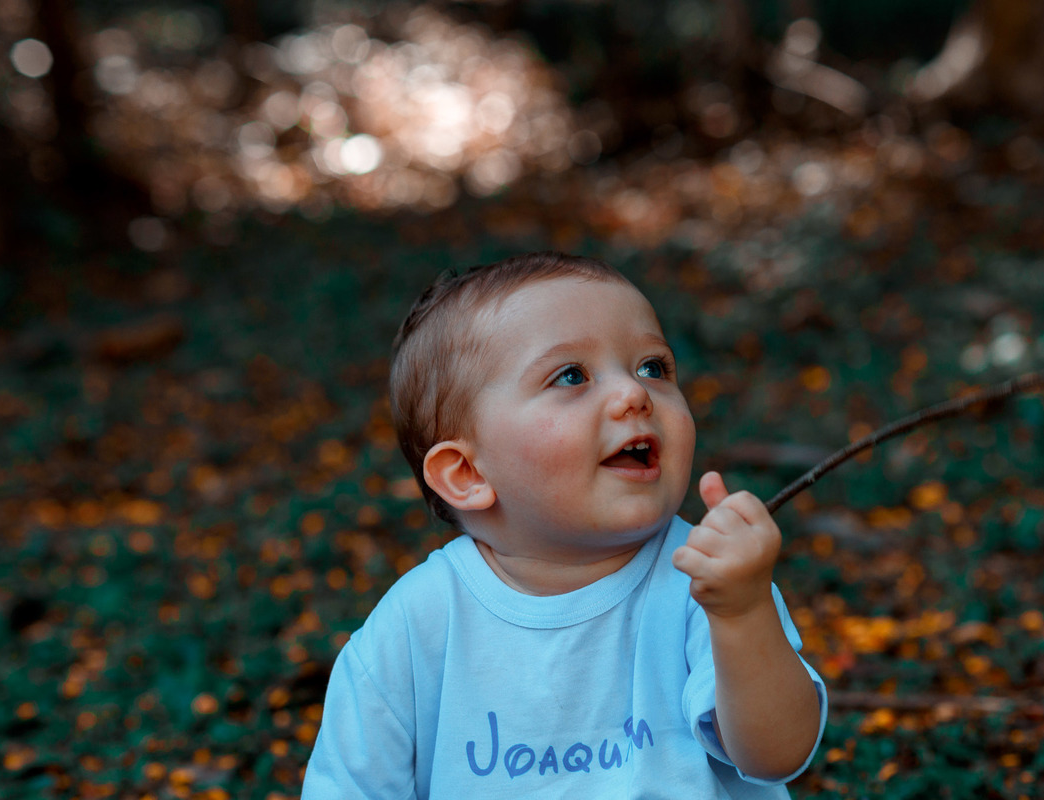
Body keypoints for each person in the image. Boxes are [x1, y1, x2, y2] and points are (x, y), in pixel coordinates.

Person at [302, 252, 827, 798]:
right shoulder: (415, 629)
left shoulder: (705, 583)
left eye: (654, 367)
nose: (634, 394)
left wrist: (743, 614)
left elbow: (777, 755)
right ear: (466, 473)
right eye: (571, 376)